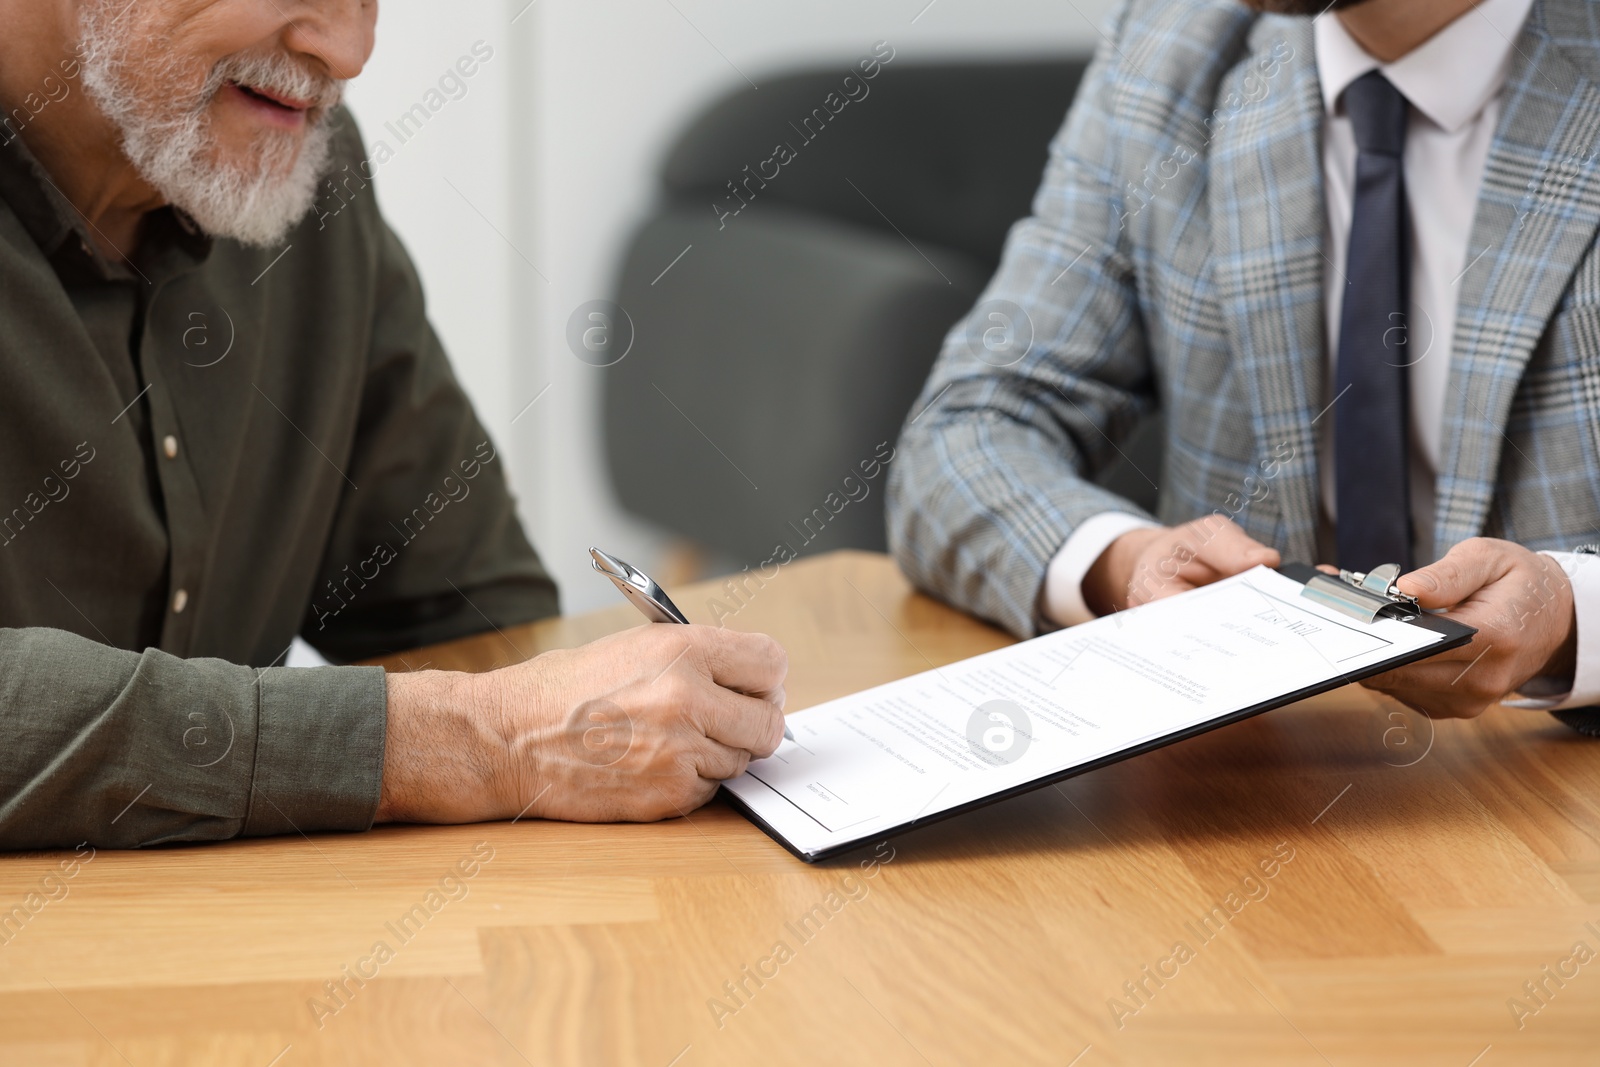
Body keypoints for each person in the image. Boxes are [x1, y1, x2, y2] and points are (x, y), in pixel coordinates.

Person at [0, 0, 788, 851]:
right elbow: (496, 719)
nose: (349, 50)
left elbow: (471, 614)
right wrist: (468, 740)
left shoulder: (295, 170)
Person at [889, 0, 1600, 727]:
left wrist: (1574, 615)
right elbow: (963, 434)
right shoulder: (1171, 47)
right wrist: (1129, 564)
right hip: (1253, 785)